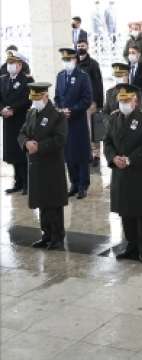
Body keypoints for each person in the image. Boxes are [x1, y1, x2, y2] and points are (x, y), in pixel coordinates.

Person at [104, 84, 142, 263]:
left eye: (127, 100)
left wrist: (129, 159)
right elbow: (108, 142)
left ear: (135, 101)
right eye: (121, 101)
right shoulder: (113, 118)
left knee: (140, 213)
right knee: (125, 212)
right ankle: (131, 246)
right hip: (120, 173)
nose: (123, 104)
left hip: (138, 172)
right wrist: (113, 158)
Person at [19, 83, 68, 250]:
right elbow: (22, 132)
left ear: (46, 97)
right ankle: (46, 235)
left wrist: (39, 146)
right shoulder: (31, 113)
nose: (35, 102)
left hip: (51, 166)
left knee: (53, 202)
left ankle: (57, 237)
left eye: (38, 98)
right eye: (33, 99)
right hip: (36, 165)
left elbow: (60, 139)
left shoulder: (57, 115)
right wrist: (26, 143)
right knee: (41, 201)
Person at [54, 48, 92, 200]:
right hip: (64, 121)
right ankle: (74, 183)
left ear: (75, 60)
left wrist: (72, 110)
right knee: (68, 154)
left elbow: (87, 99)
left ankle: (83, 185)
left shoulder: (83, 76)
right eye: (64, 60)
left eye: (69, 60)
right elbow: (57, 96)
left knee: (81, 153)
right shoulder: (60, 76)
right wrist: (59, 109)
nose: (66, 62)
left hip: (78, 120)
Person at [1, 52, 33, 194]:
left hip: (20, 120)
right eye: (9, 63)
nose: (10, 66)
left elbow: (29, 99)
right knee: (12, 152)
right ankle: (17, 182)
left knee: (22, 152)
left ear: (19, 65)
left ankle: (27, 183)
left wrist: (13, 109)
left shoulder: (27, 80)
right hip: (8, 121)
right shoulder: (3, 79)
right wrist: (2, 109)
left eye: (13, 63)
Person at [76, 39, 104, 167]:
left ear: (87, 47)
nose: (80, 48)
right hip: (78, 103)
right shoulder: (74, 63)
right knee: (82, 130)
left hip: (90, 103)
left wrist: (98, 103)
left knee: (93, 130)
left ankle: (96, 155)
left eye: (82, 45)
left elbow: (98, 85)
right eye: (78, 46)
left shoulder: (93, 64)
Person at [127, 45, 142, 111]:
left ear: (139, 54)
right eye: (129, 53)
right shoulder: (125, 68)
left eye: (133, 53)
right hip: (127, 102)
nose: (131, 55)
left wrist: (133, 93)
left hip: (141, 102)